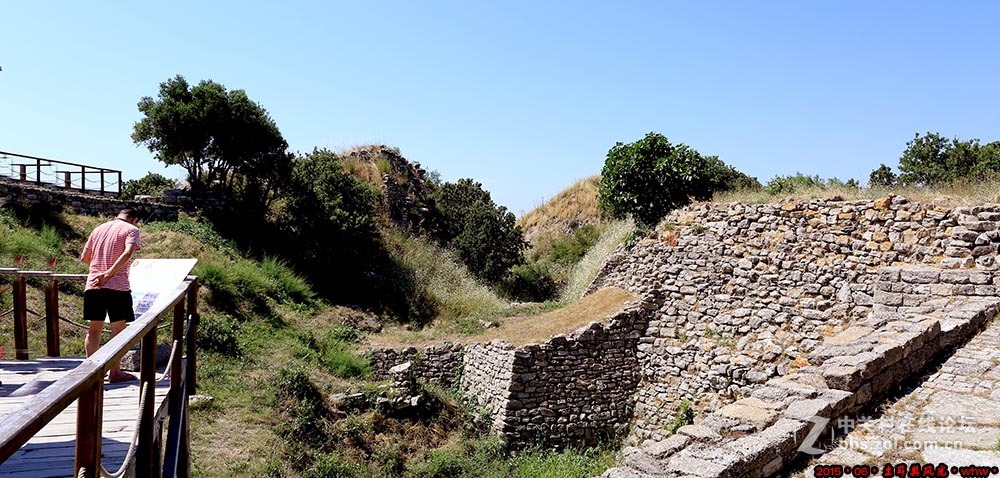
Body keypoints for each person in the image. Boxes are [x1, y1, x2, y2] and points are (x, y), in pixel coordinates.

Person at [81, 208, 142, 382]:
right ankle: (115, 372)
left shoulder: (98, 229)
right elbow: (128, 252)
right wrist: (108, 273)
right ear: (134, 219)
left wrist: (99, 270)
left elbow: (85, 257)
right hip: (117, 287)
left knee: (94, 330)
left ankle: (91, 373)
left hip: (93, 285)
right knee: (118, 331)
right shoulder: (131, 230)